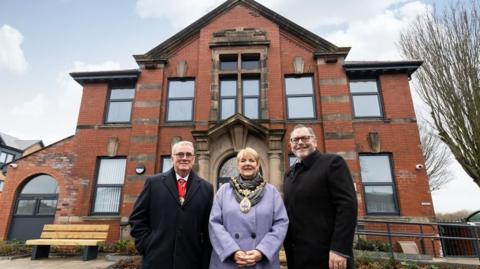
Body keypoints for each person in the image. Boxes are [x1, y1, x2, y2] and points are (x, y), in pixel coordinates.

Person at [129, 141, 214, 269]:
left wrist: (204, 259)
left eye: (188, 154)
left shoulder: (206, 188)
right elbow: (137, 218)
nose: (184, 158)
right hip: (156, 260)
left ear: (193, 159)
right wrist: (146, 245)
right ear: (172, 158)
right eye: (180, 154)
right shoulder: (153, 183)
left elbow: (208, 228)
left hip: (191, 261)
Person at [284, 125, 358, 269]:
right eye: (295, 140)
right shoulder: (289, 174)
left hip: (328, 256)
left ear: (315, 142)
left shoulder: (332, 163)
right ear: (290, 145)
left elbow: (347, 206)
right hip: (298, 256)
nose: (300, 142)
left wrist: (340, 249)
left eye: (305, 138)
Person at [209, 147, 289, 269]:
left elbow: (281, 224)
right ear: (238, 165)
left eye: (251, 160)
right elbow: (214, 224)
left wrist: (262, 251)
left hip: (261, 262)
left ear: (257, 165)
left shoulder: (271, 192)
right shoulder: (224, 191)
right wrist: (232, 251)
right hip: (229, 262)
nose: (247, 164)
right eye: (243, 160)